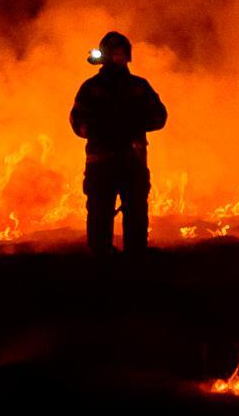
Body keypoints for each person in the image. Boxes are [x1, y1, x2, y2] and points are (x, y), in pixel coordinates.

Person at [70, 31, 167, 255]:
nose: (117, 57)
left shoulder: (139, 87)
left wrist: (134, 124)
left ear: (128, 56)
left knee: (135, 215)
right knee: (99, 215)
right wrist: (100, 130)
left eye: (121, 53)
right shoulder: (90, 88)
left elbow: (160, 117)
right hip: (101, 164)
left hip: (131, 163)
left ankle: (135, 262)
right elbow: (77, 121)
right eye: (113, 53)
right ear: (103, 56)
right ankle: (102, 263)